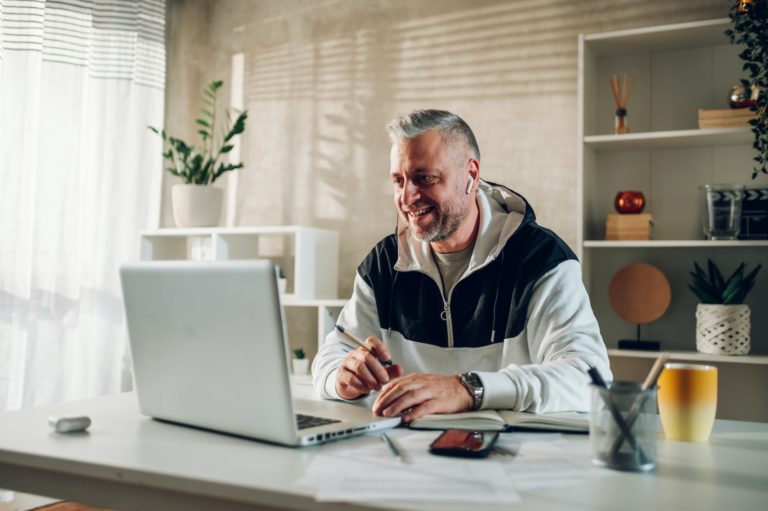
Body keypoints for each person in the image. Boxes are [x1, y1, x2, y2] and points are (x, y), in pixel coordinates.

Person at [312, 109, 611, 423]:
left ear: (471, 175)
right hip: (404, 456)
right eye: (399, 181)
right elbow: (330, 359)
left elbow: (589, 379)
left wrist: (470, 389)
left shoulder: (542, 259)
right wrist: (341, 378)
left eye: (424, 178)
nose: (407, 196)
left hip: (512, 460)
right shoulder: (383, 264)